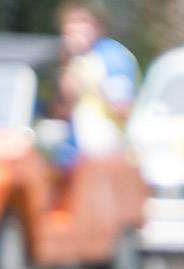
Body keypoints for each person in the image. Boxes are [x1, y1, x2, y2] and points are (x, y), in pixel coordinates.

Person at [52, 2, 138, 164]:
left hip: (109, 159)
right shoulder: (72, 59)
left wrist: (94, 84)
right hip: (75, 157)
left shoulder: (113, 57)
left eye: (84, 22)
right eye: (72, 22)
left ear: (98, 25)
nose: (78, 29)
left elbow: (123, 109)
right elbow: (59, 114)